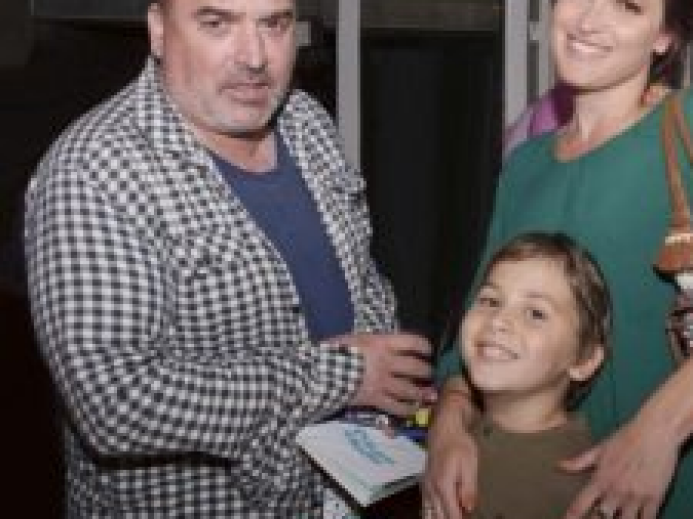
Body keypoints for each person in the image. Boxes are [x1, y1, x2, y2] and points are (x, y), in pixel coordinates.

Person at [423, 0, 693, 518]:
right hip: (561, 491)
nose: (589, 19)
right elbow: (479, 319)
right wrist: (449, 422)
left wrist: (657, 431)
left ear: (665, 36)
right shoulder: (526, 166)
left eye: (629, 5)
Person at [23, 0, 433, 516]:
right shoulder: (94, 172)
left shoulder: (305, 121)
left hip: (341, 494)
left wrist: (393, 379)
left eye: (274, 24)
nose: (255, 57)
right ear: (158, 29)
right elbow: (117, 403)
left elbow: (360, 275)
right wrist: (348, 376)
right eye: (217, 23)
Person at [430, 231, 610, 519]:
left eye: (535, 313)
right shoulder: (454, 433)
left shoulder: (576, 490)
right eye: (490, 301)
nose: (498, 320)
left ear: (584, 359)